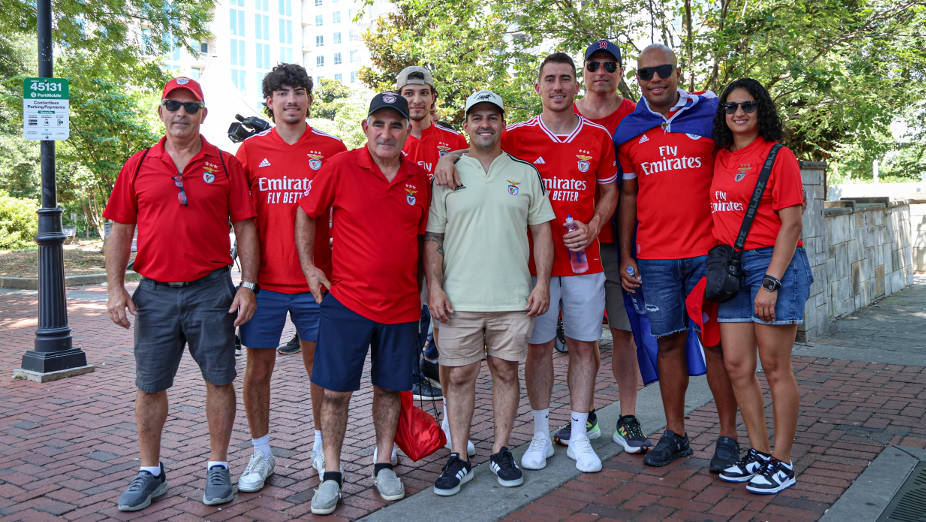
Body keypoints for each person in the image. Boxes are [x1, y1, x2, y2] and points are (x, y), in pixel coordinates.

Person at [104, 77, 258, 511]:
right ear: (161, 111)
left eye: (191, 107)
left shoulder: (226, 165)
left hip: (211, 291)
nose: (181, 113)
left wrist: (247, 284)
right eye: (173, 104)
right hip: (153, 295)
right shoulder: (137, 165)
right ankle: (150, 472)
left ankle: (218, 465)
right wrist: (116, 288)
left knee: (220, 379)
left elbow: (246, 226)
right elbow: (120, 229)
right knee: (149, 386)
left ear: (203, 114)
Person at [295, 92, 430, 515]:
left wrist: (431, 291)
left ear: (408, 130)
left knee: (390, 390)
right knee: (334, 393)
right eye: (379, 123)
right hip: (346, 303)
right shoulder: (340, 167)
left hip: (403, 305)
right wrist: (310, 267)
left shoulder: (419, 178)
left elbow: (427, 240)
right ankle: (332, 473)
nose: (386, 133)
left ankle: (384, 462)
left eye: (396, 125)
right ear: (366, 127)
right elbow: (306, 213)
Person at [615, 44, 740, 470]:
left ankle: (728, 437)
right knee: (667, 344)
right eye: (646, 74)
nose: (655, 80)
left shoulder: (711, 114)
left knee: (718, 347)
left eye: (663, 71)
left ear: (677, 70)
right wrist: (627, 254)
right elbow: (628, 195)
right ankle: (677, 433)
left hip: (709, 257)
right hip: (655, 260)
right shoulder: (629, 130)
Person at [425, 90, 555, 495]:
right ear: (465, 126)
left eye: (492, 117)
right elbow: (433, 237)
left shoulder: (524, 172)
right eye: (476, 117)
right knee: (460, 375)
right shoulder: (448, 173)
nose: (485, 124)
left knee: (505, 371)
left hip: (512, 298)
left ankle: (501, 450)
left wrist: (543, 282)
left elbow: (541, 232)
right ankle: (459, 455)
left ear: (503, 123)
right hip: (458, 299)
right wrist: (435, 288)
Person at [234, 63, 347, 492]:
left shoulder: (333, 149)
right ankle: (261, 452)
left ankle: (322, 447)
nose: (291, 100)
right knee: (257, 370)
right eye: (282, 92)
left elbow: (347, 214)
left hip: (316, 285)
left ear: (309, 98)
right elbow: (240, 219)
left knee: (320, 370)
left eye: (299, 91)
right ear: (269, 101)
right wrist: (244, 280)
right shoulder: (249, 151)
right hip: (262, 285)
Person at [710, 78, 812, 494]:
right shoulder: (718, 157)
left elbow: (792, 223)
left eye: (747, 106)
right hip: (732, 269)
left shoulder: (778, 155)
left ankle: (782, 460)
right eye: (731, 107)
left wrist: (771, 281)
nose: (739, 113)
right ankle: (757, 452)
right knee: (737, 366)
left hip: (772, 264)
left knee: (774, 367)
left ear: (760, 110)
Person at [553, 39, 652, 454]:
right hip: (572, 247)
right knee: (583, 337)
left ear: (619, 71)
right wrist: (450, 159)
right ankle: (586, 414)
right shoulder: (565, 115)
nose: (601, 71)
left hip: (622, 243)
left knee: (625, 334)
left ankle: (627, 417)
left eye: (609, 65)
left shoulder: (638, 115)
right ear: (583, 75)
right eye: (593, 64)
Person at [395, 65, 475, 456]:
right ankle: (397, 426)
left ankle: (450, 419)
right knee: (398, 332)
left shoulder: (451, 139)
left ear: (433, 99)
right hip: (401, 247)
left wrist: (456, 153)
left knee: (445, 330)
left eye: (422, 93)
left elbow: (479, 154)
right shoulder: (390, 138)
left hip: (444, 245)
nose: (415, 100)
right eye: (408, 93)